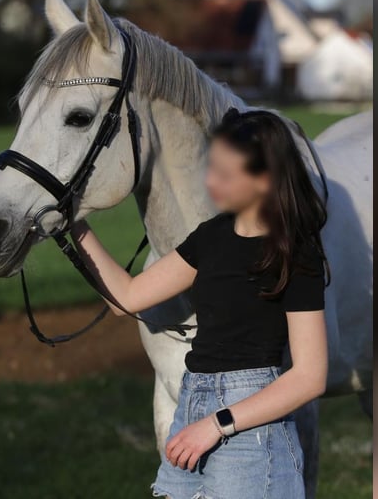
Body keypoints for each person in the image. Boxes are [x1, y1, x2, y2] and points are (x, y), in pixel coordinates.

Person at [70, 107, 329, 499]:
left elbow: (310, 376)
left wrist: (217, 424)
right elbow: (128, 297)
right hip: (192, 405)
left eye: (225, 173)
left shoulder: (295, 252)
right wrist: (72, 225)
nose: (210, 182)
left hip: (250, 431)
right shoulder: (210, 237)